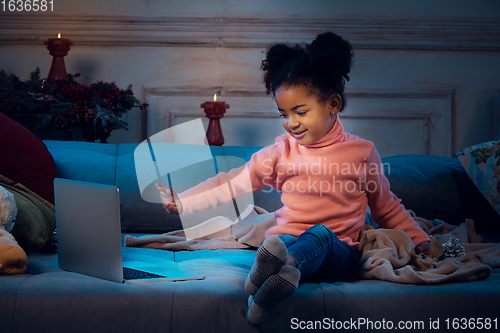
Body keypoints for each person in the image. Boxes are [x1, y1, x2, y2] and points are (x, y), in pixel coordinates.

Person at [155, 31, 432, 326]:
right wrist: (184, 202)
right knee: (279, 242)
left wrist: (421, 241)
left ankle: (275, 273)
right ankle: (271, 285)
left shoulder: (362, 153)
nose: (291, 123)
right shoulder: (281, 152)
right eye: (283, 114)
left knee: (320, 235)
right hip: (286, 244)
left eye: (300, 112)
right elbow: (233, 183)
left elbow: (386, 207)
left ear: (333, 105)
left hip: (339, 253)